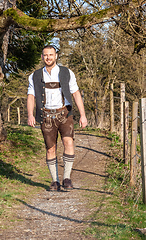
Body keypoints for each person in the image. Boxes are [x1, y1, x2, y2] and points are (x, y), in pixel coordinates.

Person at [27, 45, 87, 191]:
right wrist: (30, 115)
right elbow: (31, 96)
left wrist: (83, 115)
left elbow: (76, 93)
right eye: (45, 55)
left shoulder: (66, 72)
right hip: (46, 115)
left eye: (51, 55)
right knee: (50, 148)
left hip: (64, 113)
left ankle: (67, 178)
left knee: (69, 142)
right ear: (42, 57)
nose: (48, 57)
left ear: (56, 56)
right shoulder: (34, 75)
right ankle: (55, 181)